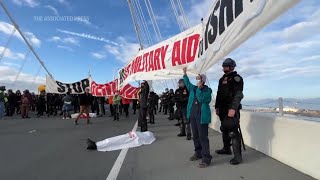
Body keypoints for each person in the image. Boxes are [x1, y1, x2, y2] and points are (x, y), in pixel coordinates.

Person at [215, 58, 244, 165]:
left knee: (233, 132)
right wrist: (217, 107)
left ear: (231, 67)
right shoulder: (221, 79)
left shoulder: (237, 78)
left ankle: (238, 157)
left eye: (225, 66)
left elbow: (238, 95)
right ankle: (226, 149)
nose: (223, 68)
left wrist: (233, 108)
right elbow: (219, 94)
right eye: (223, 66)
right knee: (224, 129)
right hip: (222, 109)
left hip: (231, 109)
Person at [183, 67, 212, 168]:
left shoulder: (207, 90)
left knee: (203, 137)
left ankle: (206, 158)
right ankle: (198, 153)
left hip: (201, 117)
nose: (198, 81)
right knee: (195, 136)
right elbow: (187, 83)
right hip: (193, 116)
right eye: (197, 79)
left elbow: (202, 98)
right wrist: (184, 73)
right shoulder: (193, 88)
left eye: (199, 79)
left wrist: (199, 89)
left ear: (203, 81)